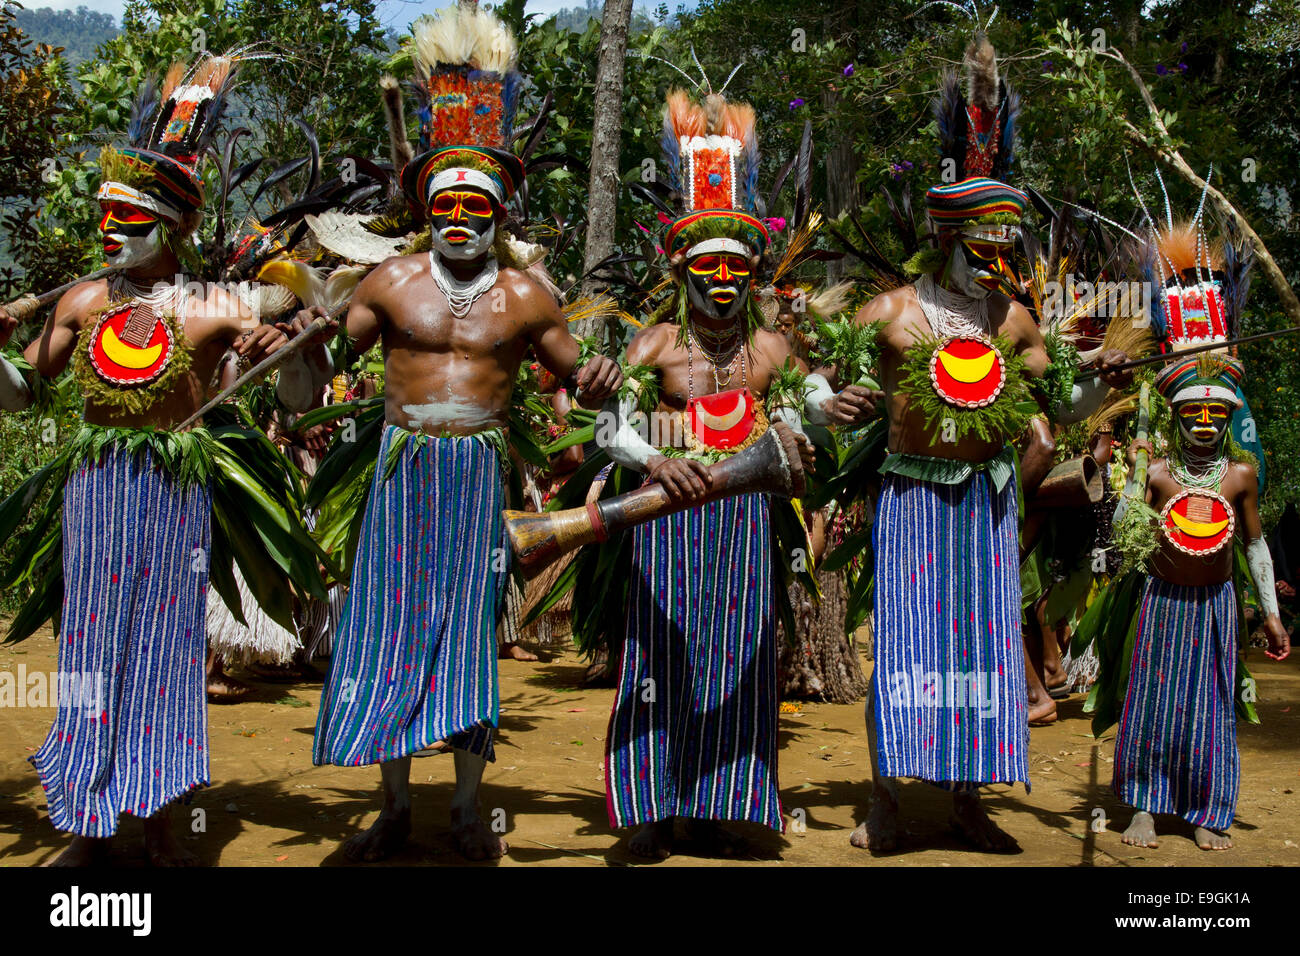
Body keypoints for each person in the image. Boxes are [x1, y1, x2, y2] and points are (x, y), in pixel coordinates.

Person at [0, 53, 332, 866]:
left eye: (129, 219)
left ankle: (160, 810)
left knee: (166, 646)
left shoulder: (213, 303)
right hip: (96, 493)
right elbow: (20, 394)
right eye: (104, 218)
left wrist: (292, 337)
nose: (110, 234)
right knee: (88, 646)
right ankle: (88, 818)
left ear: (175, 226)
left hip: (176, 494)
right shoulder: (79, 304)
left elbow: (298, 384)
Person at [309, 6, 620, 863]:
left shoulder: (526, 297)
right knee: (390, 630)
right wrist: (292, 323)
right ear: (425, 205)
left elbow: (582, 379)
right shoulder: (388, 281)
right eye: (443, 201)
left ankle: (469, 810)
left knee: (471, 636)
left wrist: (601, 377)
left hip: (478, 477)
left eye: (473, 203)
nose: (457, 215)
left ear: (497, 209)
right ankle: (396, 808)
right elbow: (313, 373)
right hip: (402, 471)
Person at [834, 33, 1132, 854]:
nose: (996, 260)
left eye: (1006, 245)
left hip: (990, 503)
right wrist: (837, 405)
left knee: (977, 648)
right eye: (982, 244)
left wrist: (1100, 377)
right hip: (908, 495)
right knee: (904, 642)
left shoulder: (1018, 321)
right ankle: (888, 802)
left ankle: (968, 800)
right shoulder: (889, 314)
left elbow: (1061, 406)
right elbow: (830, 392)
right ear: (946, 237)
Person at [600, 82, 869, 860]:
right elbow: (608, 428)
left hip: (745, 523)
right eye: (708, 266)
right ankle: (649, 811)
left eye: (736, 269)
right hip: (662, 517)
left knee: (739, 656)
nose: (722, 281)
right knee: (656, 655)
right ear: (681, 265)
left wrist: (834, 405)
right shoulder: (652, 347)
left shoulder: (775, 351)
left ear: (754, 274)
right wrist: (656, 460)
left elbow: (809, 403)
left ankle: (725, 806)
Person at [1112, 356, 1289, 850]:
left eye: (1216, 414)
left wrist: (1271, 613)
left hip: (1215, 604)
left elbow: (1254, 546)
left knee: (1210, 706)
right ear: (1175, 417)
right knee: (1151, 702)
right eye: (1194, 413)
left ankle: (1206, 808)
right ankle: (1145, 806)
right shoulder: (1159, 474)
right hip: (1163, 602)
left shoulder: (1240, 476)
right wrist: (1134, 473)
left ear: (1229, 419)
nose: (1205, 424)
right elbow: (1123, 532)